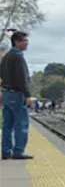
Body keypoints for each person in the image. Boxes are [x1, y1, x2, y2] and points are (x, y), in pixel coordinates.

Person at [0, 31, 33, 160]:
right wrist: (28, 95)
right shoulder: (18, 57)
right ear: (17, 42)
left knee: (7, 124)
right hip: (17, 94)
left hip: (7, 93)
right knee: (21, 123)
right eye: (25, 41)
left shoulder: (7, 57)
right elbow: (22, 78)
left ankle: (5, 151)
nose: (27, 44)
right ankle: (18, 151)